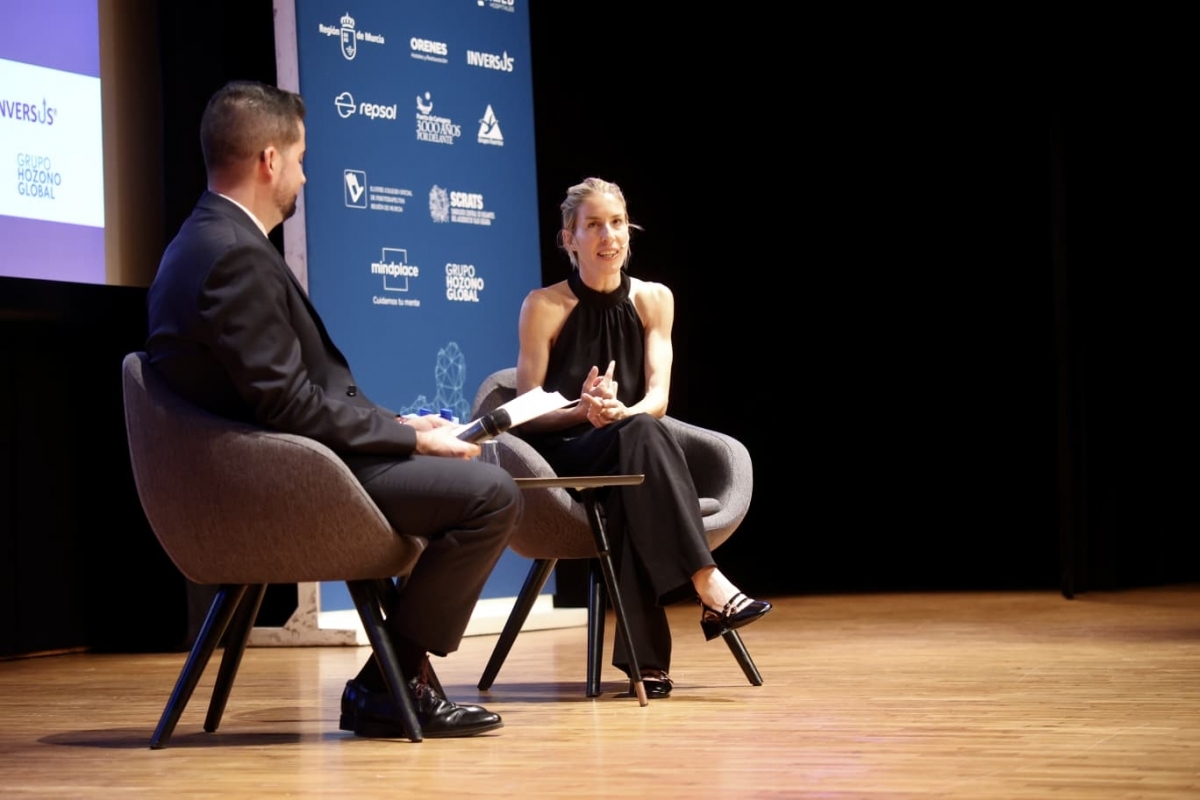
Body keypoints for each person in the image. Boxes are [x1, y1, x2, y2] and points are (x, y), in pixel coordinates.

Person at [145, 80, 521, 738]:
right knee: (490, 495)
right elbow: (288, 404)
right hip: (278, 481)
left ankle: (393, 682)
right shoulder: (231, 255)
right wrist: (412, 442)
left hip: (282, 464)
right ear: (269, 160)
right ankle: (386, 684)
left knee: (474, 482)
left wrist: (397, 425)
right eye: (299, 159)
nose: (304, 176)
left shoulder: (208, 240)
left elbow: (282, 395)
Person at [513, 177, 770, 698]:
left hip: (632, 448)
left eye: (616, 222)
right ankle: (708, 583)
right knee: (640, 440)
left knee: (635, 469)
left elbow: (658, 398)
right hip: (569, 455)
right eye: (592, 225)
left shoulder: (655, 299)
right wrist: (581, 410)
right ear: (569, 239)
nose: (608, 235)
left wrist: (621, 412)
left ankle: (646, 666)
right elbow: (524, 412)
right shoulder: (543, 305)